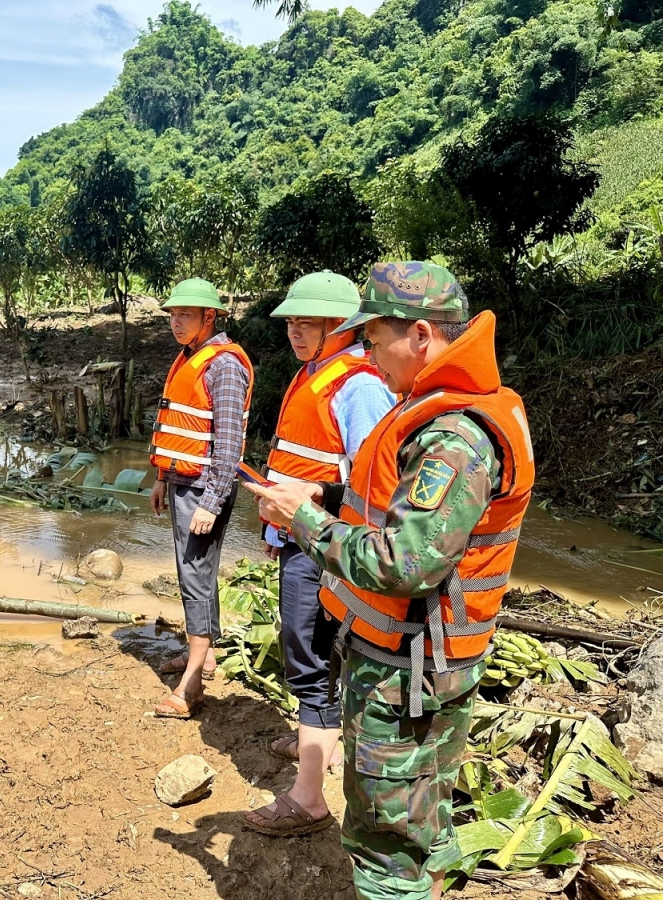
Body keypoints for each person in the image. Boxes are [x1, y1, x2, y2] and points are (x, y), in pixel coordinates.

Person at [249, 262, 534, 900]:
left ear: (423, 335)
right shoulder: (445, 414)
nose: (372, 360)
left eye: (376, 343)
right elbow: (393, 503)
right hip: (420, 664)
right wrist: (321, 493)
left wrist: (305, 524)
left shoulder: (456, 439)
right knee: (422, 831)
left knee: (385, 849)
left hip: (409, 674)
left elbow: (406, 563)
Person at [245, 271, 396, 837]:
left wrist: (313, 519)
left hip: (326, 546)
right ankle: (320, 743)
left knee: (308, 654)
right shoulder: (316, 375)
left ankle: (308, 799)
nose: (294, 331)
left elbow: (372, 484)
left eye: (307, 322)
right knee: (313, 650)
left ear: (340, 327)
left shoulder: (357, 387)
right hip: (302, 539)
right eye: (290, 321)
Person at [148, 277, 253, 719]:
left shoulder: (223, 366)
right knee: (195, 571)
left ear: (210, 317)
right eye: (172, 315)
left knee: (195, 572)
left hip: (203, 489)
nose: (175, 323)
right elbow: (176, 426)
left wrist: (211, 502)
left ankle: (190, 686)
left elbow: (228, 446)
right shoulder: (191, 356)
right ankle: (204, 657)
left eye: (185, 315)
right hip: (181, 482)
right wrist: (160, 477)